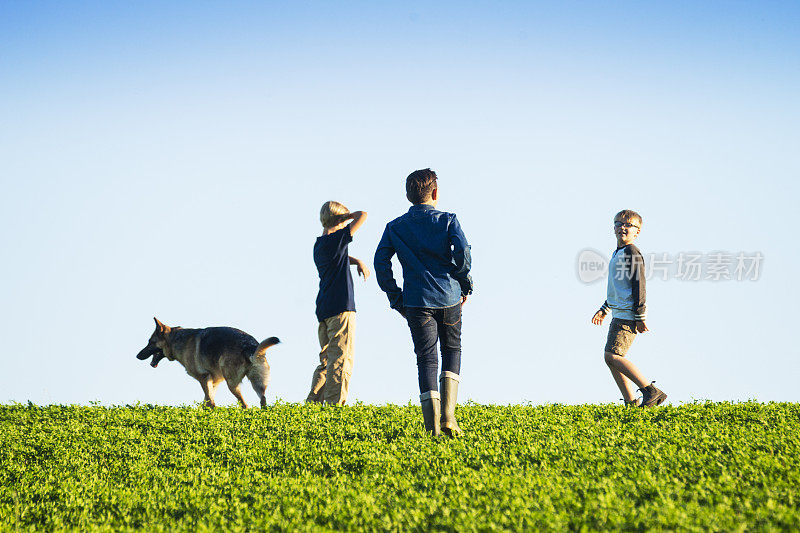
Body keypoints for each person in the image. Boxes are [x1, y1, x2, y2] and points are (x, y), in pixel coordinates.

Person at [374, 168, 473, 436]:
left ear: (408, 196)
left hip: (416, 302)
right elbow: (463, 252)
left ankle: (433, 430)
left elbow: (380, 262)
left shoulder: (394, 227)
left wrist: (397, 298)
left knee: (426, 360)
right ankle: (449, 418)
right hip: (449, 295)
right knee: (452, 350)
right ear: (436, 193)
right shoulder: (449, 220)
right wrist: (464, 283)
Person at [591, 209, 667, 407]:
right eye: (619, 223)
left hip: (628, 314)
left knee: (612, 356)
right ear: (613, 228)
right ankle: (630, 402)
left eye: (628, 225)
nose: (623, 227)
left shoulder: (632, 252)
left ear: (637, 231)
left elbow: (638, 284)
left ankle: (650, 391)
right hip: (618, 312)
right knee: (612, 357)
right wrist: (605, 308)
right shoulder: (618, 253)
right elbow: (618, 286)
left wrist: (640, 316)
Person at [306, 201, 369, 405]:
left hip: (324, 309)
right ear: (338, 220)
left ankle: (312, 403)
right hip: (341, 308)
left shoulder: (320, 244)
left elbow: (339, 256)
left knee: (327, 361)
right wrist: (346, 218)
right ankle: (335, 408)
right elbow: (363, 215)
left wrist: (356, 261)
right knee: (341, 360)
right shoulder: (338, 238)